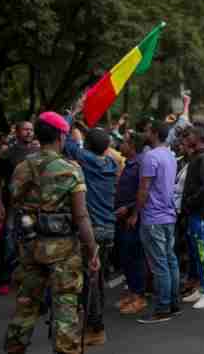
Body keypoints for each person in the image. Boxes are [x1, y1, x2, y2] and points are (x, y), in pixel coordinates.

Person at [3, 112, 101, 354]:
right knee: (66, 308)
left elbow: (14, 200)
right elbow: (81, 216)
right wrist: (92, 250)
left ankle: (14, 348)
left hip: (30, 247)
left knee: (26, 305)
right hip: (63, 250)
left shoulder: (22, 167)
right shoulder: (70, 170)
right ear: (61, 136)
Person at [63, 118, 119, 345]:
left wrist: (71, 115)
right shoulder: (111, 164)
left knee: (89, 280)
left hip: (92, 229)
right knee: (97, 278)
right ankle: (94, 322)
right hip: (108, 228)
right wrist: (88, 132)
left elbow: (66, 142)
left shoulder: (85, 160)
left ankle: (95, 327)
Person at [130, 122, 181, 324]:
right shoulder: (169, 155)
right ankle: (173, 303)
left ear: (154, 134)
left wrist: (135, 213)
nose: (145, 132)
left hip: (153, 218)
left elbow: (143, 190)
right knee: (170, 260)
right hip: (168, 216)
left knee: (160, 264)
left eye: (148, 130)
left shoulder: (150, 157)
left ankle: (163, 308)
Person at [0, 120, 37, 295]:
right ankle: (4, 279)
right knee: (9, 242)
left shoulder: (38, 153)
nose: (29, 132)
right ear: (17, 132)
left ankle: (25, 280)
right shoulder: (6, 154)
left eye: (31, 130)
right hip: (12, 206)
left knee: (31, 243)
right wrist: (0, 204)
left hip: (31, 207)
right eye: (25, 129)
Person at [180, 126, 204, 309]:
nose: (185, 139)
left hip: (202, 215)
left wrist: (191, 200)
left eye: (189, 136)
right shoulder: (199, 155)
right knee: (198, 254)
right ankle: (202, 288)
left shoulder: (203, 157)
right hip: (196, 214)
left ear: (198, 138)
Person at [115, 131, 149, 316]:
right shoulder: (129, 163)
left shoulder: (141, 164)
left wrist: (130, 210)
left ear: (132, 146)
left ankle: (139, 296)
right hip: (122, 217)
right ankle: (132, 292)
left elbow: (143, 191)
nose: (121, 145)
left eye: (124, 142)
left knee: (135, 257)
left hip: (132, 217)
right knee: (126, 256)